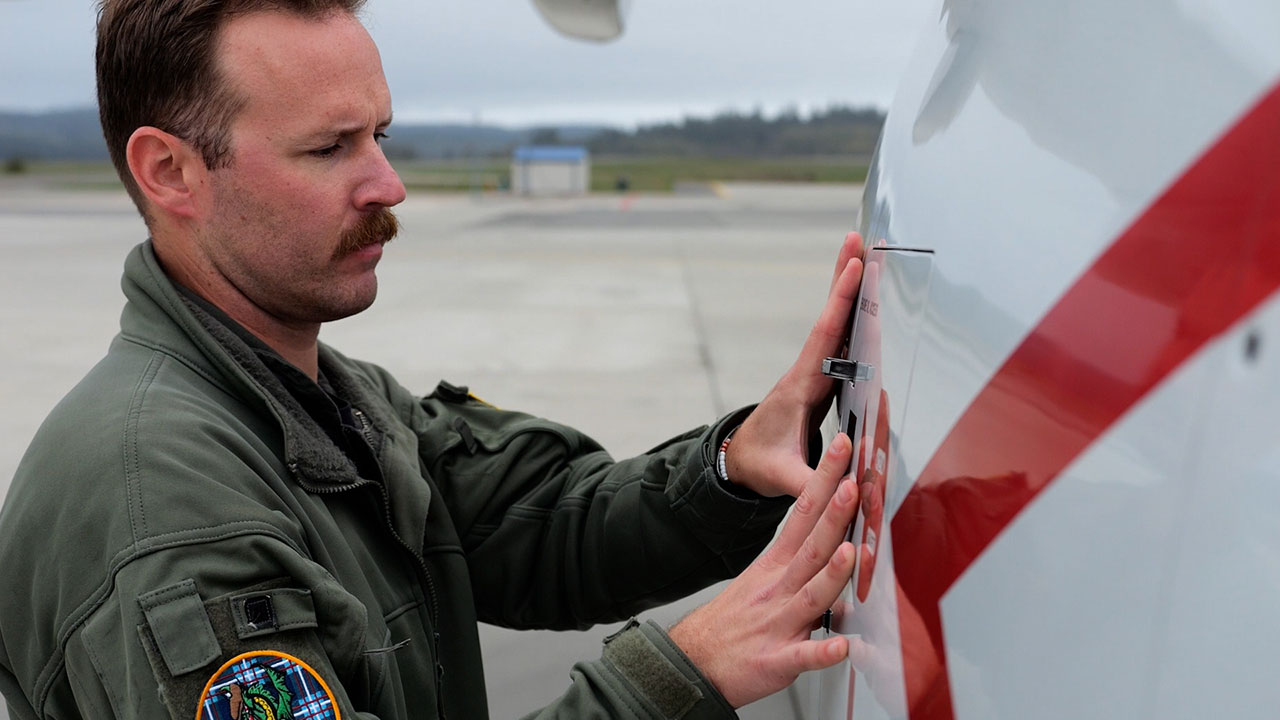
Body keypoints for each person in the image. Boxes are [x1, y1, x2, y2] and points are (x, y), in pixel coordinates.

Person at [0, 1, 867, 718]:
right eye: (330, 147)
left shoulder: (321, 399)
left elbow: (540, 527)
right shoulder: (167, 512)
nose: (388, 183)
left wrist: (733, 466)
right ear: (171, 172)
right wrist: (682, 676)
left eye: (380, 135)